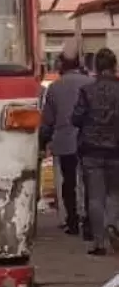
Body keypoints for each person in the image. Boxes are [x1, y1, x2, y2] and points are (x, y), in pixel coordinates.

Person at [39, 44, 93, 238]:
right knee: (87, 183)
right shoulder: (89, 83)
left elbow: (47, 120)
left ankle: (72, 221)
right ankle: (88, 221)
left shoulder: (54, 87)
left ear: (63, 64)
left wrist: (43, 140)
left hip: (64, 142)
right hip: (87, 142)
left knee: (68, 183)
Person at [71, 47, 119, 255]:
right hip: (117, 149)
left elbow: (76, 118)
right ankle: (112, 224)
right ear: (114, 66)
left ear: (96, 68)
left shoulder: (87, 91)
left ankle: (99, 243)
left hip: (90, 150)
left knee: (95, 197)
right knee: (115, 193)